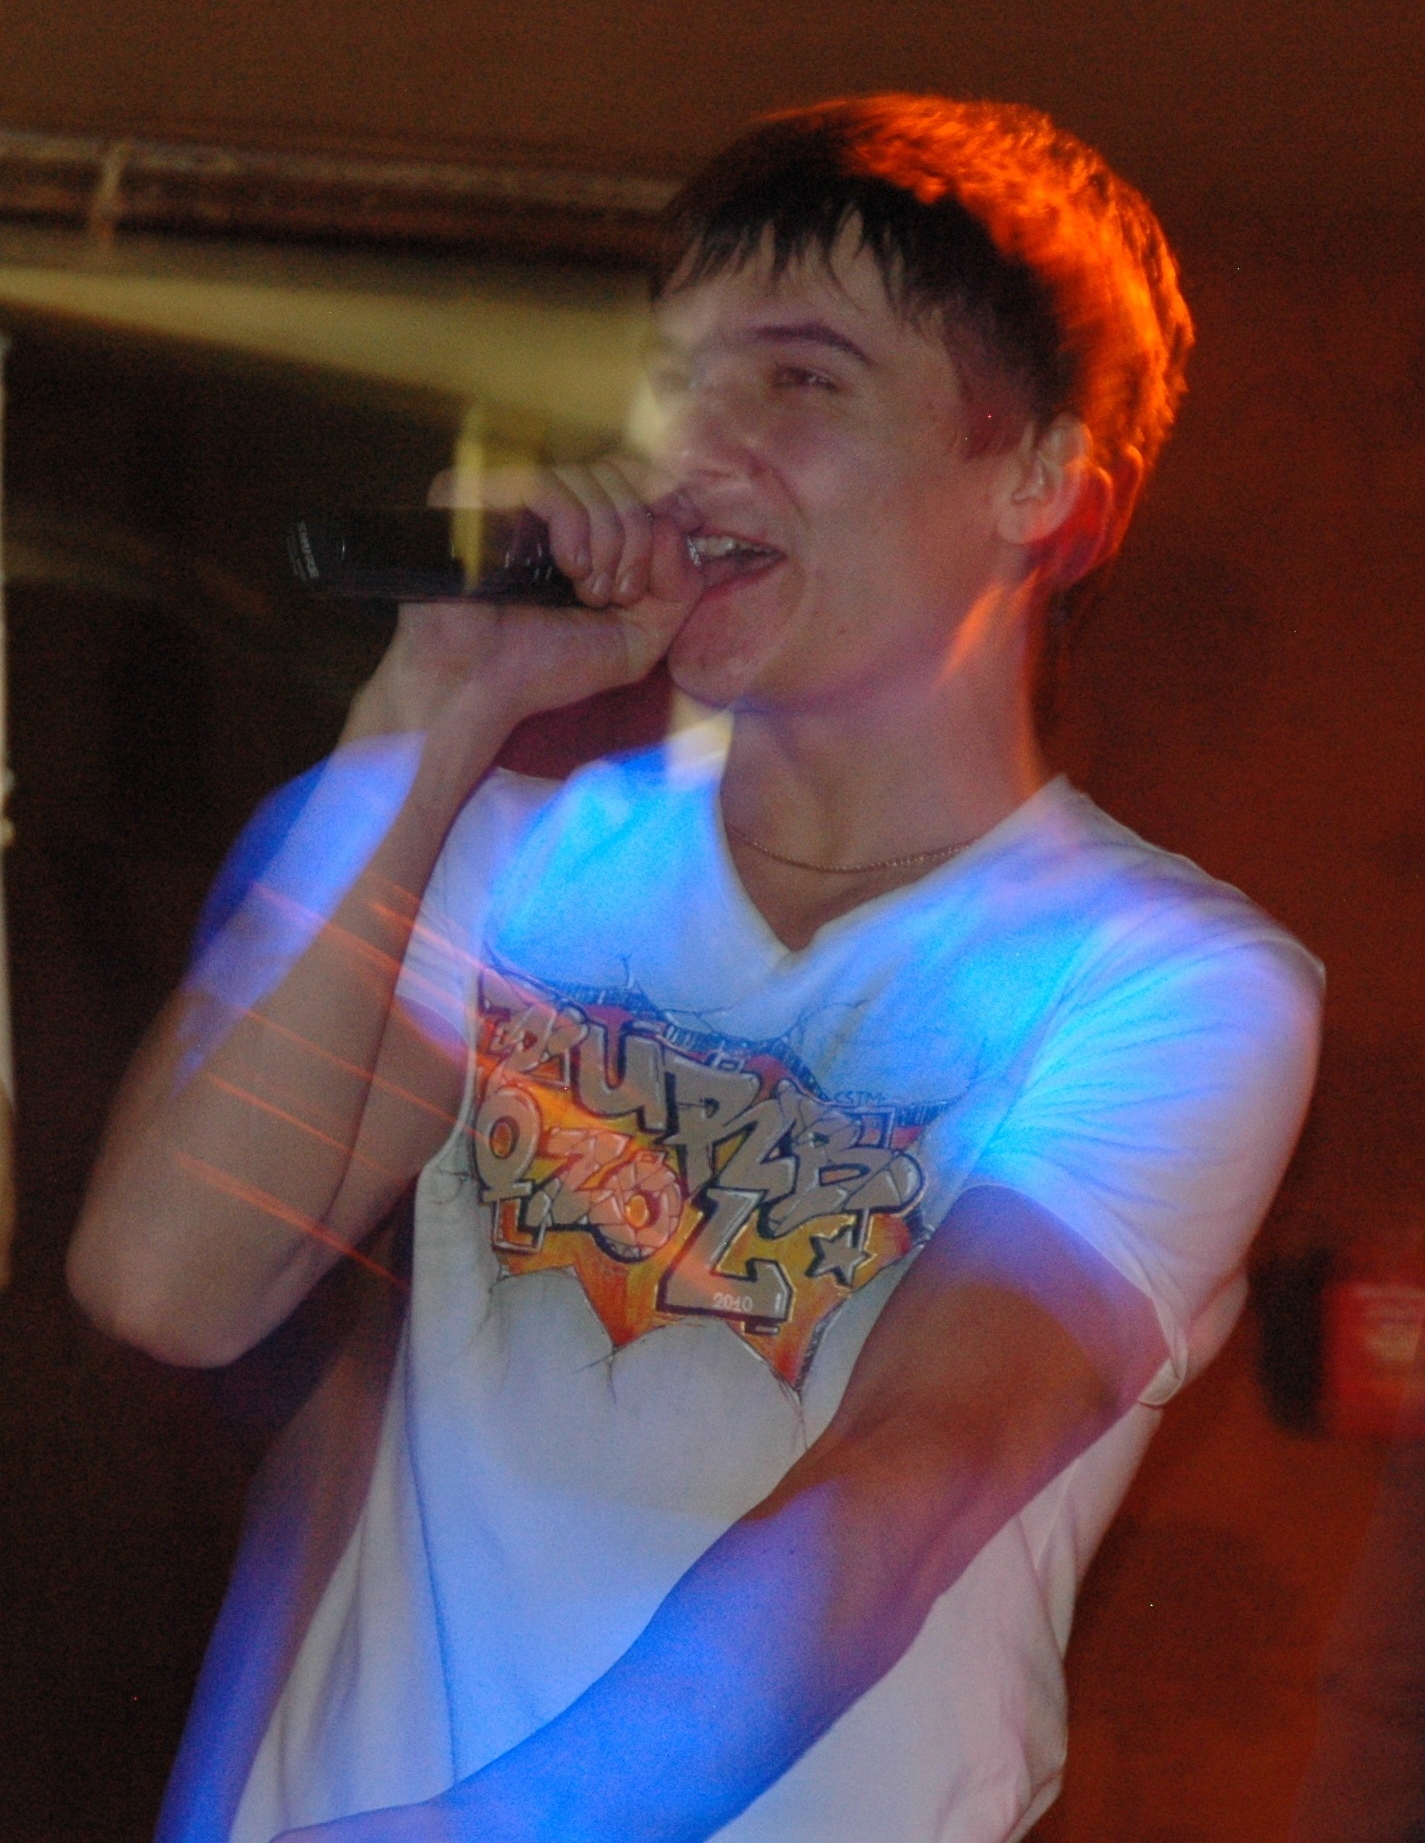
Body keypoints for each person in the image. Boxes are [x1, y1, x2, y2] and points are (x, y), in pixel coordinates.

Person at [69, 96, 1323, 1843]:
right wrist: (433, 708)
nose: (692, 443)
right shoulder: (499, 848)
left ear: (1038, 480)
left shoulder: (1166, 983)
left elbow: (903, 1479)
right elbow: (167, 1279)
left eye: (797, 379)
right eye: (675, 378)